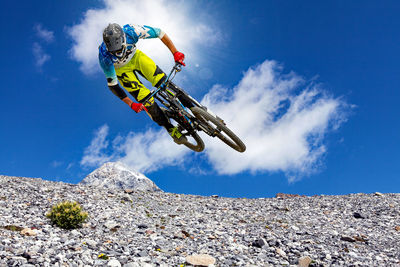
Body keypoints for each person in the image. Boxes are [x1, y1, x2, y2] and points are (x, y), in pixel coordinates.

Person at [98, 23, 190, 144]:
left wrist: (175, 52)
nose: (118, 54)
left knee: (165, 83)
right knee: (146, 101)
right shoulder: (104, 57)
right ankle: (169, 128)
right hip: (121, 70)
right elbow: (113, 86)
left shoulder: (132, 31)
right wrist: (131, 104)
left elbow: (160, 33)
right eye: (114, 52)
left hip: (136, 58)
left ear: (124, 39)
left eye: (120, 49)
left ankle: (194, 107)